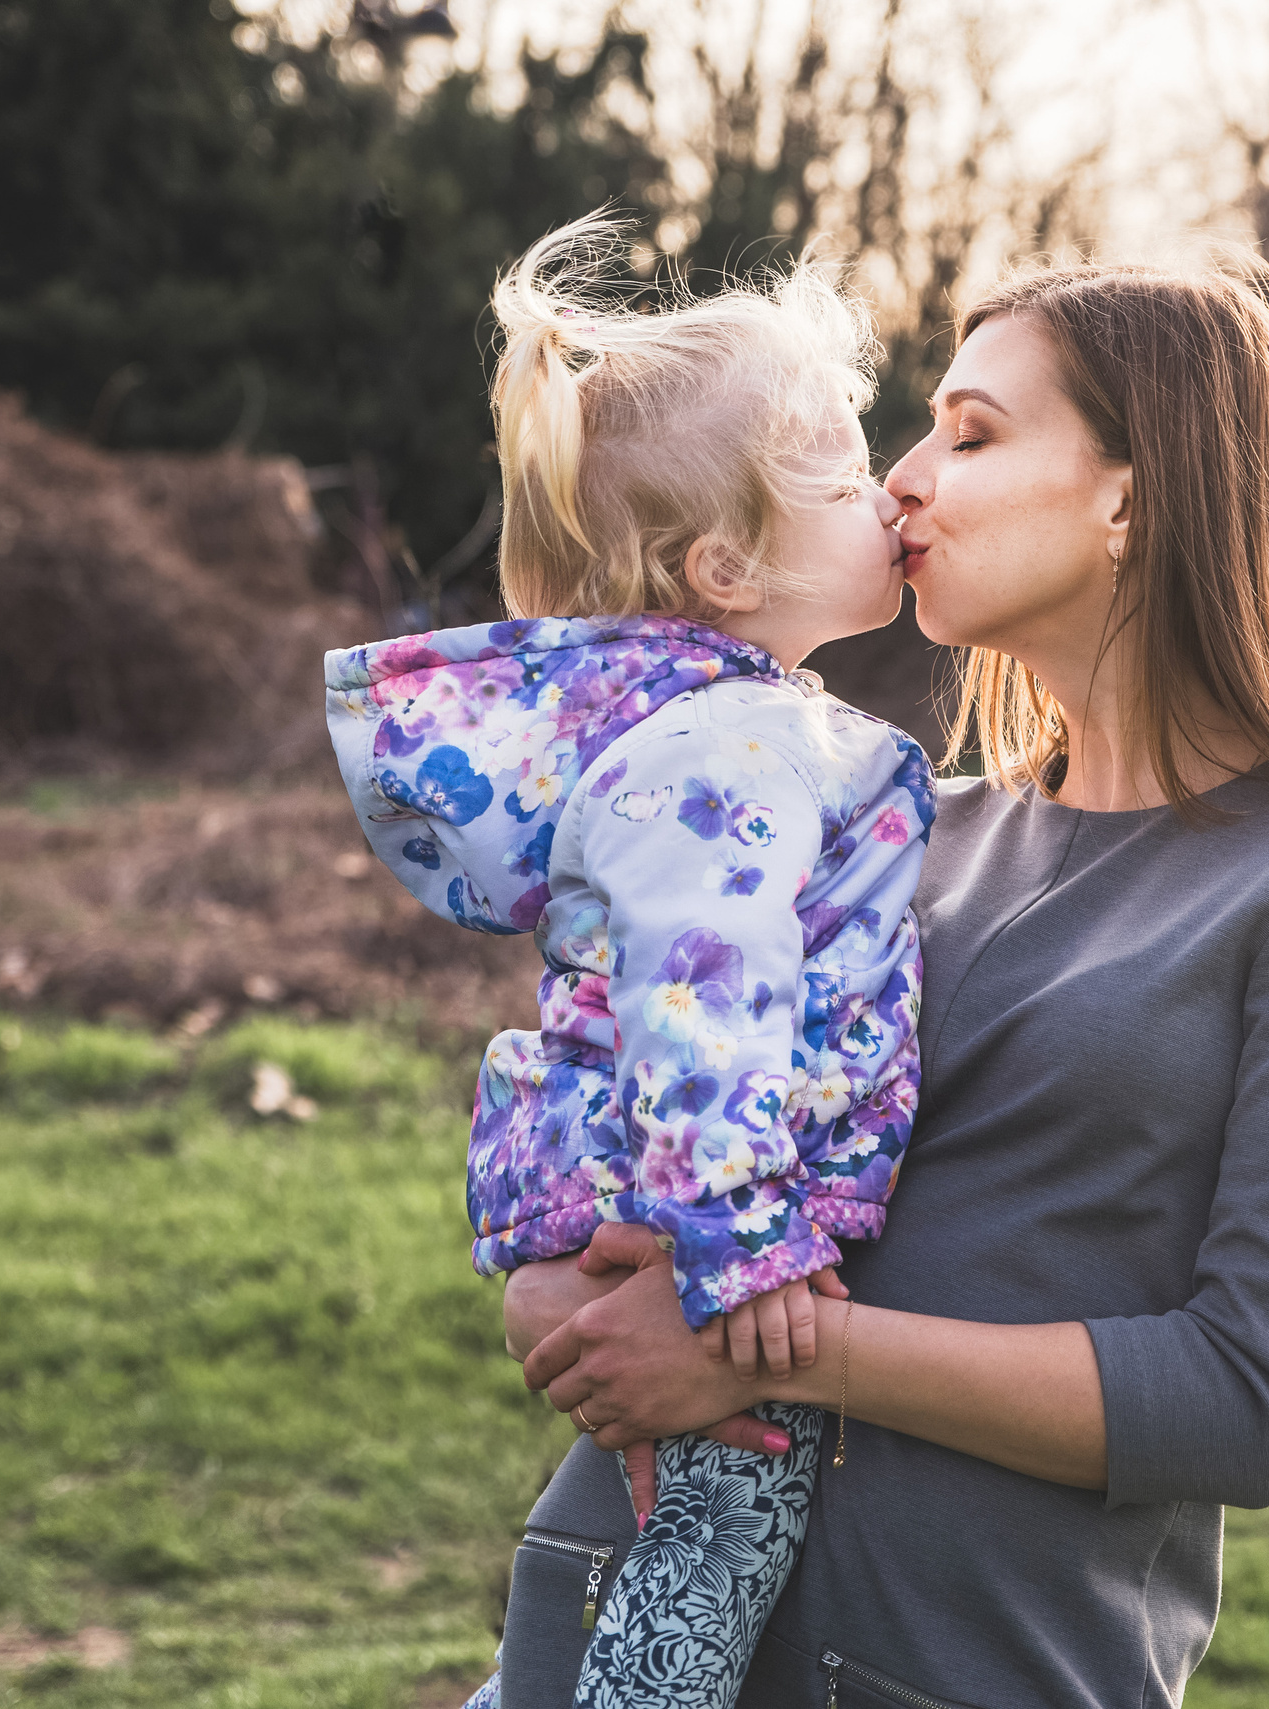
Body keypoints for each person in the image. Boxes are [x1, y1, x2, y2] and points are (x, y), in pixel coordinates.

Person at [510, 251, 1269, 1709]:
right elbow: (623, 1106)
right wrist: (552, 1292)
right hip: (601, 1618)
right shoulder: (889, 830)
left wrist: (777, 1346)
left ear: (1134, 493)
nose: (902, 480)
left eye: (970, 434)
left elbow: (1243, 1400)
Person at [325, 214, 935, 1709]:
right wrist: (745, 1245)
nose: (892, 494)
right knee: (725, 1522)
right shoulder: (728, 748)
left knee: (686, 1517)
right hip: (697, 1228)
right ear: (725, 562)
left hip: (657, 1200)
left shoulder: (713, 725)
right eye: (852, 477)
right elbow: (700, 987)